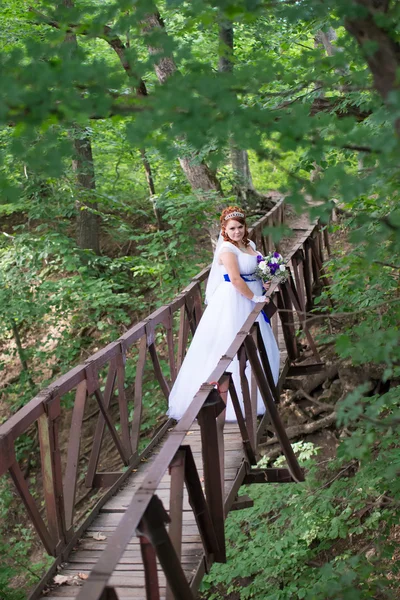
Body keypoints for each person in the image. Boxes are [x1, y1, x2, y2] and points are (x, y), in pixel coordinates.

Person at [167, 206, 280, 421]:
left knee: (257, 345)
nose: (236, 231)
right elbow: (236, 280)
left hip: (253, 296)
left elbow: (255, 270)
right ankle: (231, 403)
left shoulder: (249, 245)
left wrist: (265, 279)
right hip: (236, 301)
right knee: (232, 345)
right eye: (232, 228)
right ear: (224, 230)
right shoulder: (227, 250)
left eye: (240, 227)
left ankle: (260, 394)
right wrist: (255, 298)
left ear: (245, 227)